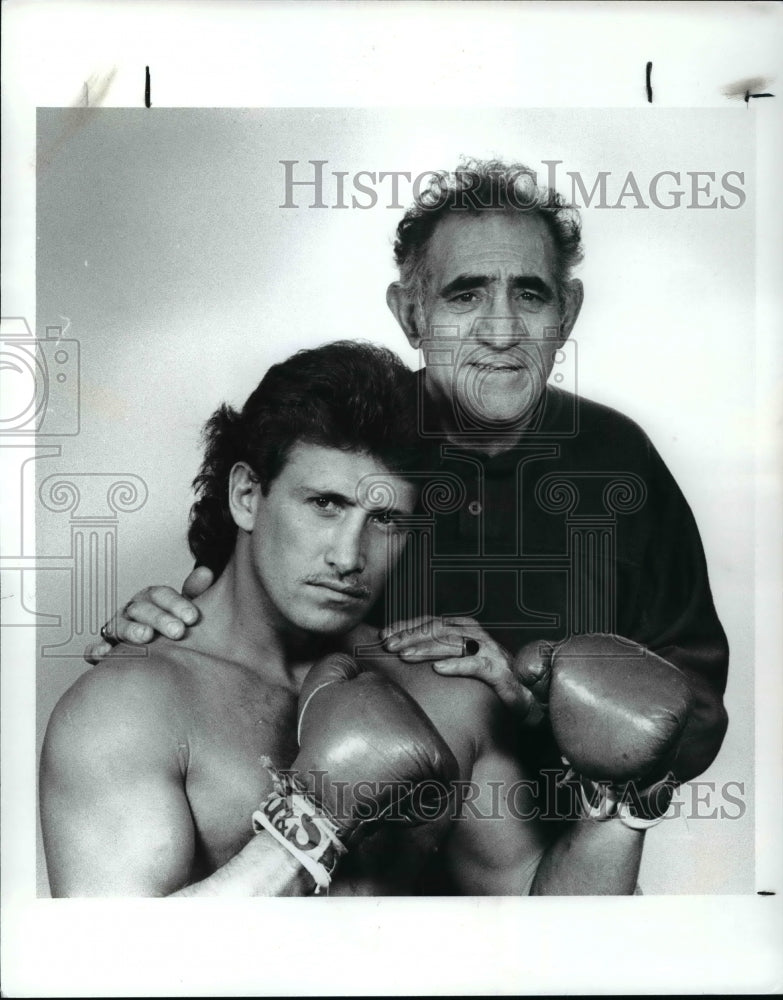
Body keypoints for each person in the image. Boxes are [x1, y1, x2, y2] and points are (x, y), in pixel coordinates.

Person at [87, 159, 729, 786]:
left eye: (529, 294)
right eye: (465, 294)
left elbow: (691, 706)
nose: (502, 330)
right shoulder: (350, 437)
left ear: (567, 313)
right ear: (411, 315)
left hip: (549, 859)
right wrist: (158, 630)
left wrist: (541, 705)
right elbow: (232, 610)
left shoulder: (621, 459)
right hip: (349, 852)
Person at [43, 341, 681, 897]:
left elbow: (548, 931)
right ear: (246, 495)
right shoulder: (129, 709)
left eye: (385, 520)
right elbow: (113, 969)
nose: (350, 557)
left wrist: (620, 805)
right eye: (325, 504)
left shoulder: (445, 689)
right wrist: (308, 826)